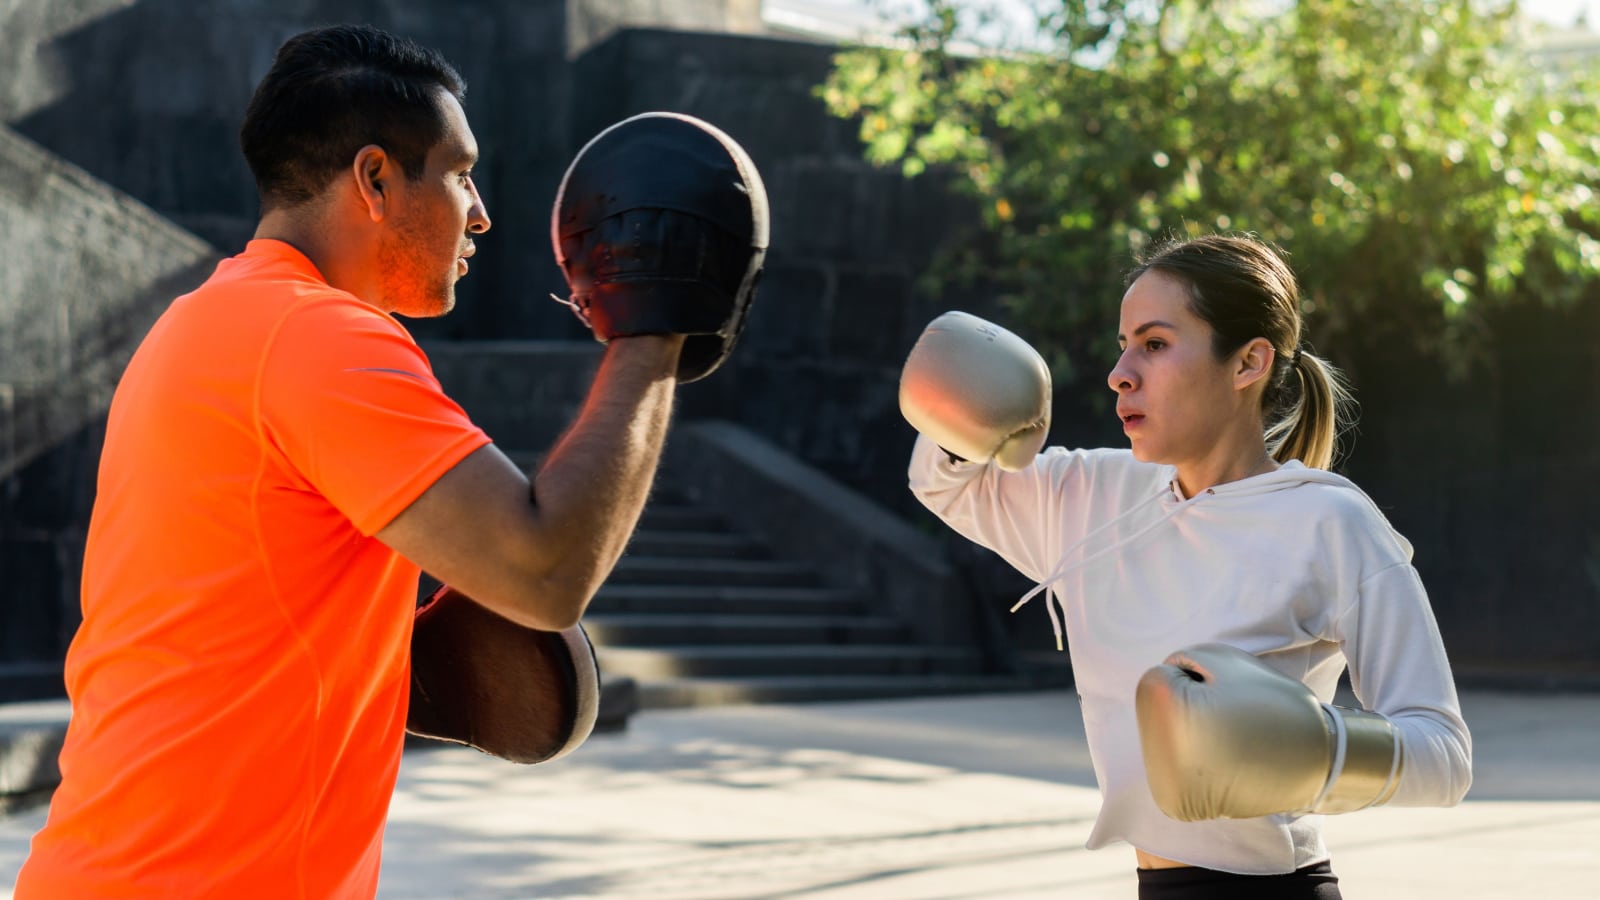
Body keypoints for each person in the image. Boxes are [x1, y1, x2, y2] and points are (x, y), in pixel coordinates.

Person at [15, 24, 765, 898]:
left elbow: (227, 621)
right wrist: (652, 329)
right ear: (374, 179)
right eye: (458, 173)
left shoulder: (201, 324)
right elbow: (544, 570)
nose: (480, 210)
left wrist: (384, 662)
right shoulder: (319, 335)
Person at [899, 233, 1472, 898]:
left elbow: (1445, 757)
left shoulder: (1328, 522)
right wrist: (965, 407)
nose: (1120, 373)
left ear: (1248, 362)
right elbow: (949, 485)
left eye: (1155, 343)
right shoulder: (1096, 495)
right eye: (1123, 345)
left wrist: (1321, 753)